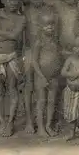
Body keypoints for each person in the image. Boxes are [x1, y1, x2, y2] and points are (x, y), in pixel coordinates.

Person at [0, 0, 26, 137]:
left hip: (12, 57)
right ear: (3, 0)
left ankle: (10, 122)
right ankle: (2, 121)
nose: (13, 3)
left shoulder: (21, 18)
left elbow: (15, 36)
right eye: (10, 0)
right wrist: (6, 34)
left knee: (12, 89)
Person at [22, 0, 49, 134]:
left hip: (44, 53)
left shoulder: (48, 10)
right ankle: (29, 121)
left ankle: (42, 122)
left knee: (41, 87)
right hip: (29, 51)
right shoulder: (25, 11)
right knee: (28, 86)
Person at [31, 7, 62, 137]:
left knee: (51, 101)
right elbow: (34, 61)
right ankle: (41, 127)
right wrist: (41, 76)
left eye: (52, 24)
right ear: (40, 26)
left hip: (54, 77)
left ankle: (49, 125)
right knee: (41, 101)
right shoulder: (39, 42)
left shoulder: (55, 40)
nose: (49, 27)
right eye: (46, 25)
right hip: (41, 77)